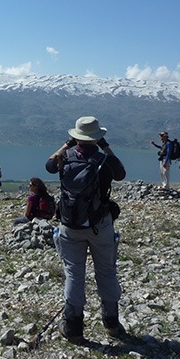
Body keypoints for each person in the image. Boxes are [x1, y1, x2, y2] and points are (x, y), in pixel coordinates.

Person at [45, 116, 126, 343]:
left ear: (76, 136)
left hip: (70, 225)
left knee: (74, 273)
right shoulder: (103, 160)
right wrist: (106, 146)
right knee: (106, 271)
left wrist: (66, 145)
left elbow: (49, 166)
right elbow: (120, 174)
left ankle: (73, 327)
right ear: (97, 137)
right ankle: (111, 323)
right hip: (100, 225)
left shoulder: (65, 158)